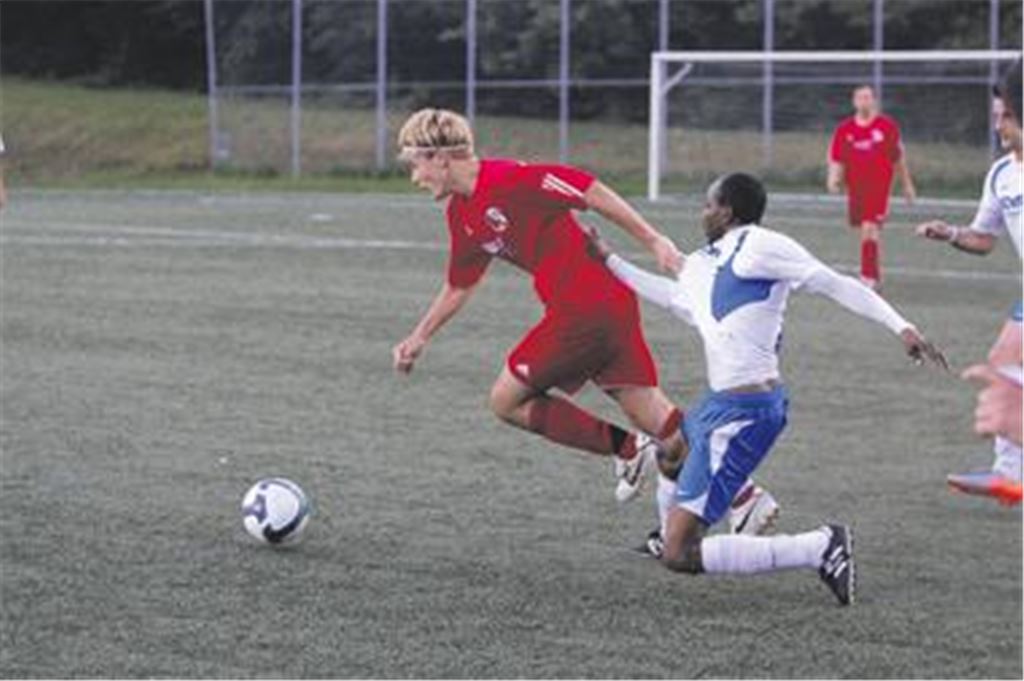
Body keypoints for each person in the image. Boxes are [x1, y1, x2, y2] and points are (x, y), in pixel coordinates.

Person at [391, 108, 779, 532]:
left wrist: (654, 241)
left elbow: (588, 188)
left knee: (506, 400)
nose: (415, 177)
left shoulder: (511, 180)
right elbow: (459, 284)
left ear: (440, 157)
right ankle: (744, 496)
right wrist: (419, 336)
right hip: (605, 304)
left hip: (585, 307)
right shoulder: (461, 215)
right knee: (664, 429)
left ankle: (629, 450)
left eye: (416, 164)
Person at [588, 172, 946, 606]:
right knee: (671, 453)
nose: (703, 212)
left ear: (727, 211)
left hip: (747, 411)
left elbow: (832, 282)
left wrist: (901, 326)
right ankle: (671, 533)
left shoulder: (761, 245)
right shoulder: (703, 261)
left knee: (681, 556)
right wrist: (609, 261)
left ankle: (819, 547)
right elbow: (674, 298)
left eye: (708, 204)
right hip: (720, 403)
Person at [915, 60, 1023, 506]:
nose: (998, 126)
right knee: (1006, 361)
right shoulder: (1000, 175)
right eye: (996, 116)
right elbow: (984, 239)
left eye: (1006, 116)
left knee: (1007, 360)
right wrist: (951, 234)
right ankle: (1009, 474)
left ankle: (1011, 473)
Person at [827, 85, 916, 291]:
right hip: (855, 187)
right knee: (865, 231)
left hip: (879, 187)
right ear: (854, 102)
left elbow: (898, 158)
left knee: (870, 227)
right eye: (860, 98)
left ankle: (868, 277)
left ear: (874, 101)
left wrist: (907, 185)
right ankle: (873, 276)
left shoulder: (886, 127)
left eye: (867, 97)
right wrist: (833, 178)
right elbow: (837, 157)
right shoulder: (845, 129)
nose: (864, 102)